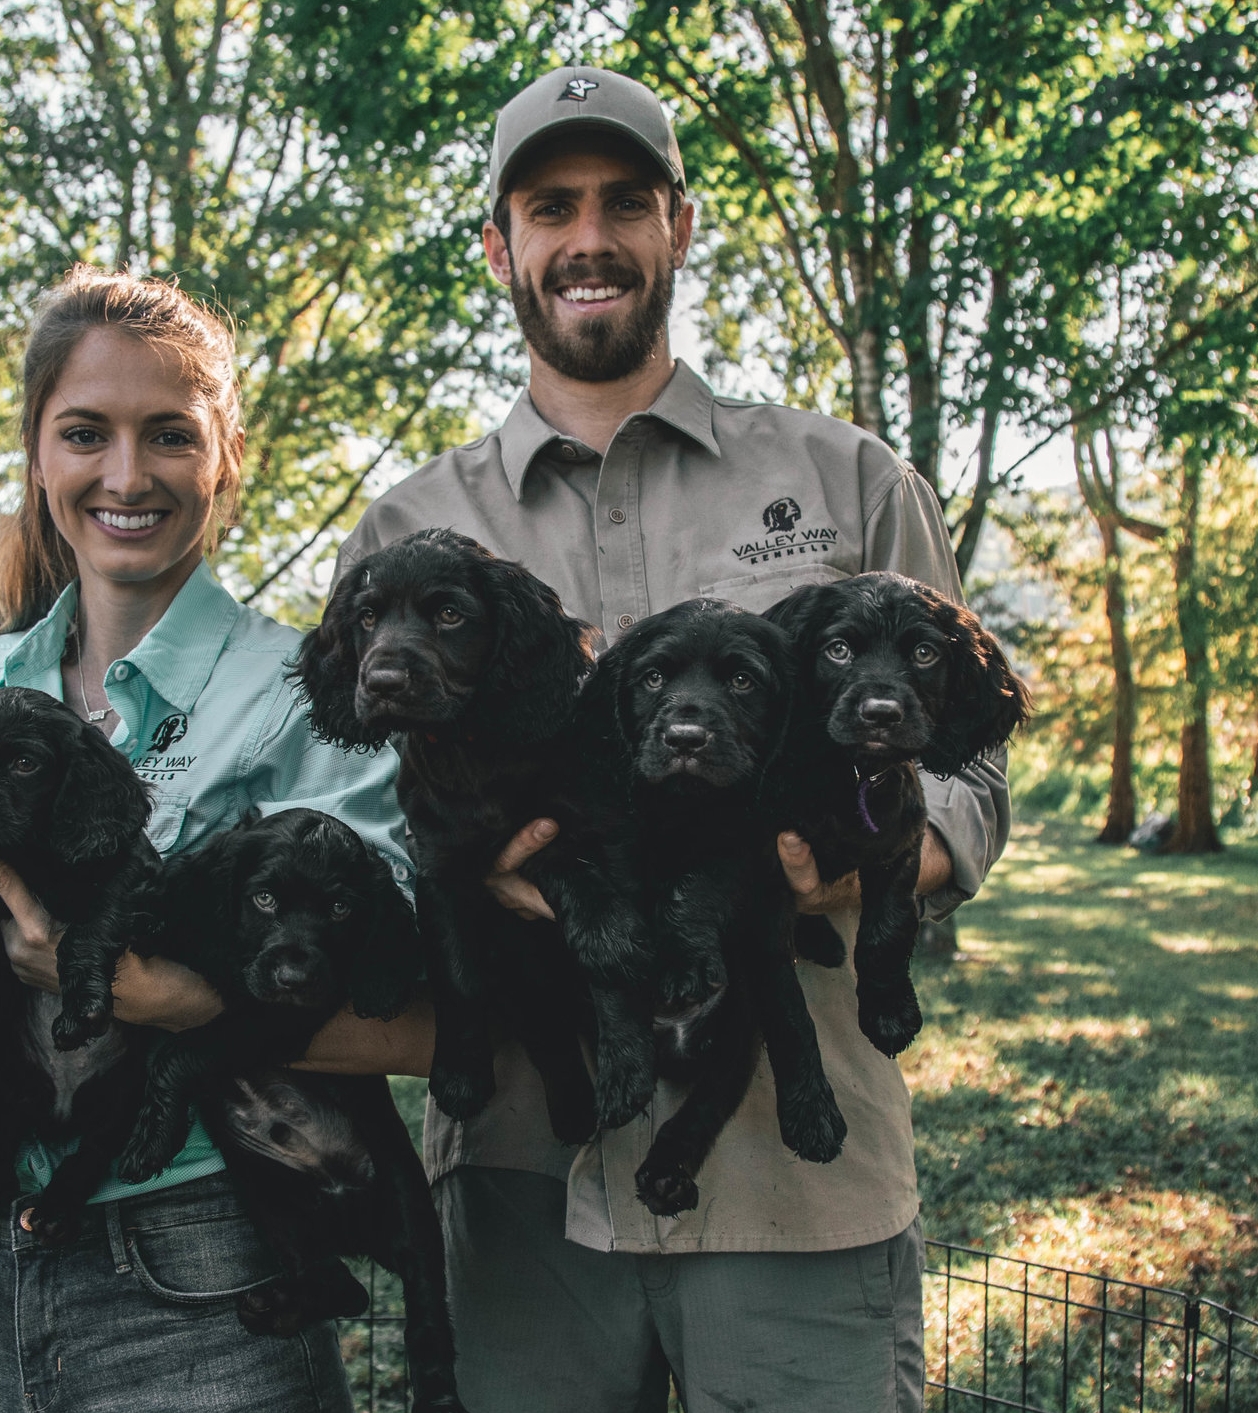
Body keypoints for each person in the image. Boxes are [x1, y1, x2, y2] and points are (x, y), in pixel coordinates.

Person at [334, 67, 1010, 1413]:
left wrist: (859, 863)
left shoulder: (846, 478)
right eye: (548, 206)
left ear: (677, 225)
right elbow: (354, 800)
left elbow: (970, 770)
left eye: (622, 201)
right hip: (525, 1165)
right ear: (499, 246)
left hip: (793, 1177)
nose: (587, 236)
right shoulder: (409, 533)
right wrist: (475, 867)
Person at [0, 266, 426, 1413]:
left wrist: (177, 998)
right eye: (85, 434)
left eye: (168, 435)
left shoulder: (312, 693)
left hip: (200, 1280)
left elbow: (415, 1018)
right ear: (37, 454)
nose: (126, 476)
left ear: (225, 459)